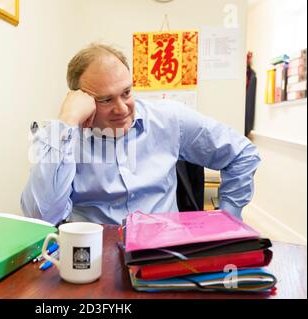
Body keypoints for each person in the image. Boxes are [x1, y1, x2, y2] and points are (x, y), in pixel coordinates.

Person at [21, 43, 260, 225]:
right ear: (80, 98)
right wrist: (68, 121)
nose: (122, 109)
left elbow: (242, 153)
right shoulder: (59, 137)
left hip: (164, 252)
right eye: (105, 100)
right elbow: (43, 217)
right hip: (94, 255)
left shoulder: (169, 119)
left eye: (126, 92)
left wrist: (227, 221)